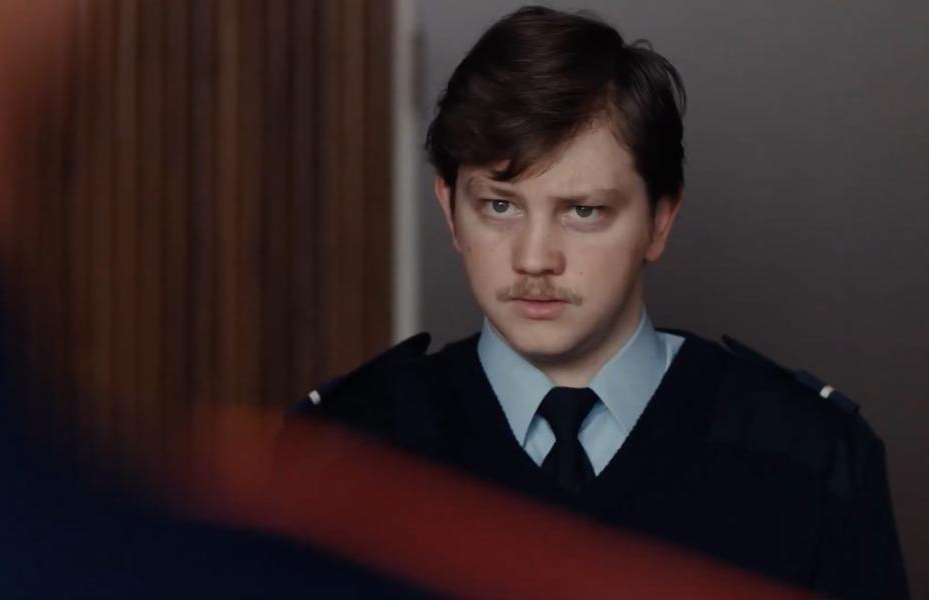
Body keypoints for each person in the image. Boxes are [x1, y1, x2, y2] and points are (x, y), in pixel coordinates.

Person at [292, 6, 909, 598]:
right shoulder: (340, 452)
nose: (535, 258)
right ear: (450, 211)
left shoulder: (812, 458)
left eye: (583, 211)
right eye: (500, 206)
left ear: (660, 221)